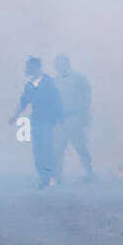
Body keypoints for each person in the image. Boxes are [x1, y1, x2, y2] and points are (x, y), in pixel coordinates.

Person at [8, 56, 64, 188]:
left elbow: (57, 101)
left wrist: (60, 120)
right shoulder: (29, 85)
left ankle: (50, 177)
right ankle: (43, 177)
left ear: (36, 67)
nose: (27, 69)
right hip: (36, 122)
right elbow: (23, 102)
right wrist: (14, 116)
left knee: (47, 149)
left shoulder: (48, 82)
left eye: (29, 67)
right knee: (38, 150)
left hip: (48, 121)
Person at [53, 55, 96, 184]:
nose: (59, 66)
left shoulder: (78, 79)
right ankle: (58, 176)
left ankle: (90, 173)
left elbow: (87, 97)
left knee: (80, 147)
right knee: (59, 149)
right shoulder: (55, 81)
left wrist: (84, 114)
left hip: (75, 119)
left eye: (61, 63)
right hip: (61, 120)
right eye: (57, 64)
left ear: (67, 64)